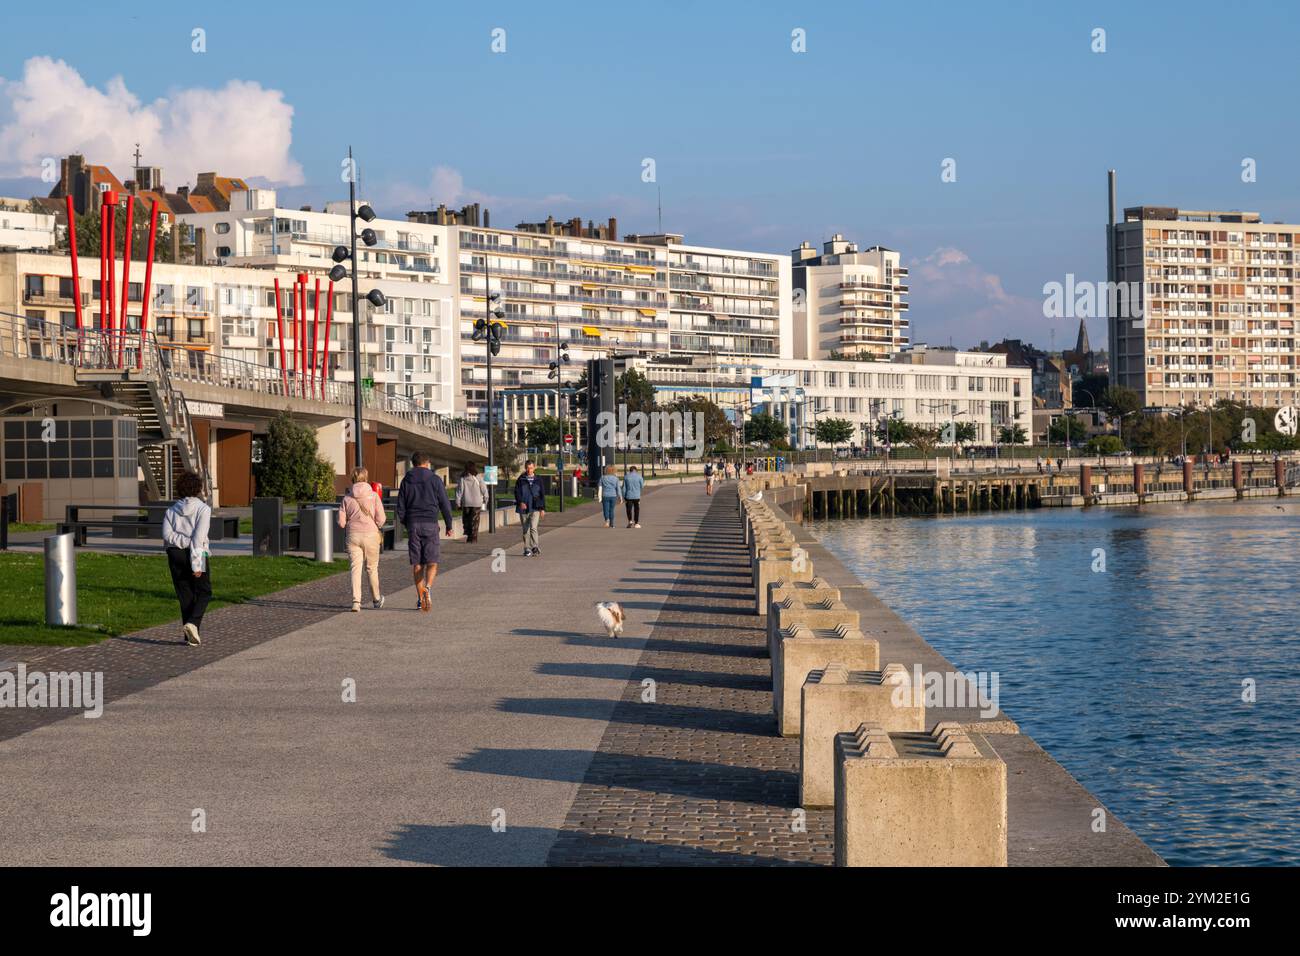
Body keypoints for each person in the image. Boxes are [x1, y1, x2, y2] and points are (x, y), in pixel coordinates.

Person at [396, 451, 455, 612]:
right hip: (430, 523)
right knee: (432, 561)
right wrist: (449, 524)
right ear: (427, 463)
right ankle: (427, 588)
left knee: (417, 563)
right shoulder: (435, 480)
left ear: (413, 463)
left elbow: (400, 506)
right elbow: (444, 503)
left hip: (413, 524)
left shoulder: (406, 481)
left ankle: (420, 597)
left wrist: (406, 523)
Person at [162, 471, 211, 646]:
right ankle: (193, 624)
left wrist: (181, 542)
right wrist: (197, 564)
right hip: (197, 553)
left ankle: (189, 634)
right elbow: (198, 538)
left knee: (185, 594)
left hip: (174, 554)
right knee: (205, 592)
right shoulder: (203, 509)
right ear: (198, 488)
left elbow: (167, 535)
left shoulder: (170, 510)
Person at [338, 466, 386, 612]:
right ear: (366, 478)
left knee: (355, 569)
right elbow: (382, 518)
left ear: (352, 478)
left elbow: (341, 523)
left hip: (353, 535)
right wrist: (375, 524)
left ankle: (356, 602)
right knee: (372, 569)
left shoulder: (347, 498)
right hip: (371, 535)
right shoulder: (373, 496)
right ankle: (376, 599)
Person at [514, 459, 547, 556]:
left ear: (534, 468)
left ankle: (535, 547)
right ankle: (527, 548)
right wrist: (520, 502)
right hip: (524, 508)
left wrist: (542, 508)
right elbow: (517, 492)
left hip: (535, 507)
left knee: (533, 528)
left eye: (531, 468)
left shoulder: (538, 479)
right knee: (525, 529)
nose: (529, 470)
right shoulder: (521, 479)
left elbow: (542, 494)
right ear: (525, 468)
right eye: (528, 468)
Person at [455, 463, 487, 543]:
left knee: (467, 521)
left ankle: (469, 537)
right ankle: (474, 538)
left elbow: (459, 492)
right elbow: (484, 490)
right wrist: (486, 500)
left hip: (466, 503)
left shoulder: (462, 478)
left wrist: (458, 503)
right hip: (477, 503)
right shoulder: (478, 477)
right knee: (475, 521)